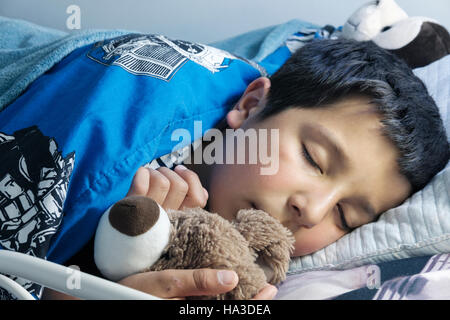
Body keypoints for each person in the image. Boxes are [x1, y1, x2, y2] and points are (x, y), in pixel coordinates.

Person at [44, 39, 449, 299]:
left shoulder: (242, 277)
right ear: (251, 105)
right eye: (313, 158)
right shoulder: (136, 123)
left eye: (346, 216)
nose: (313, 211)